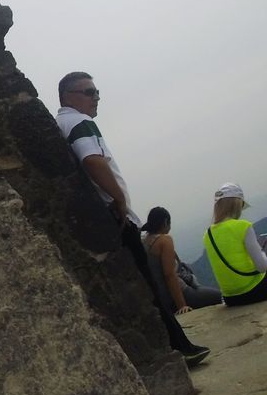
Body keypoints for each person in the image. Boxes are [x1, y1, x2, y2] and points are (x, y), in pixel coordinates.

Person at [56, 72, 209, 366]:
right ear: (68, 96)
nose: (96, 96)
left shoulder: (61, 123)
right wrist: (120, 199)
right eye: (89, 91)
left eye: (96, 91)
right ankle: (180, 348)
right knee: (146, 287)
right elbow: (92, 160)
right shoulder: (79, 122)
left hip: (93, 220)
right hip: (114, 217)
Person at [140, 207, 221, 313]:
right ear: (165, 222)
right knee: (221, 296)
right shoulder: (164, 240)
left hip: (159, 295)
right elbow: (169, 275)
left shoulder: (144, 241)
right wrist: (182, 305)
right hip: (181, 293)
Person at [202, 182, 267, 307]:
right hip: (254, 290)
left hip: (230, 298)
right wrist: (262, 252)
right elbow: (262, 267)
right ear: (237, 204)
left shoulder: (207, 234)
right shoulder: (243, 226)